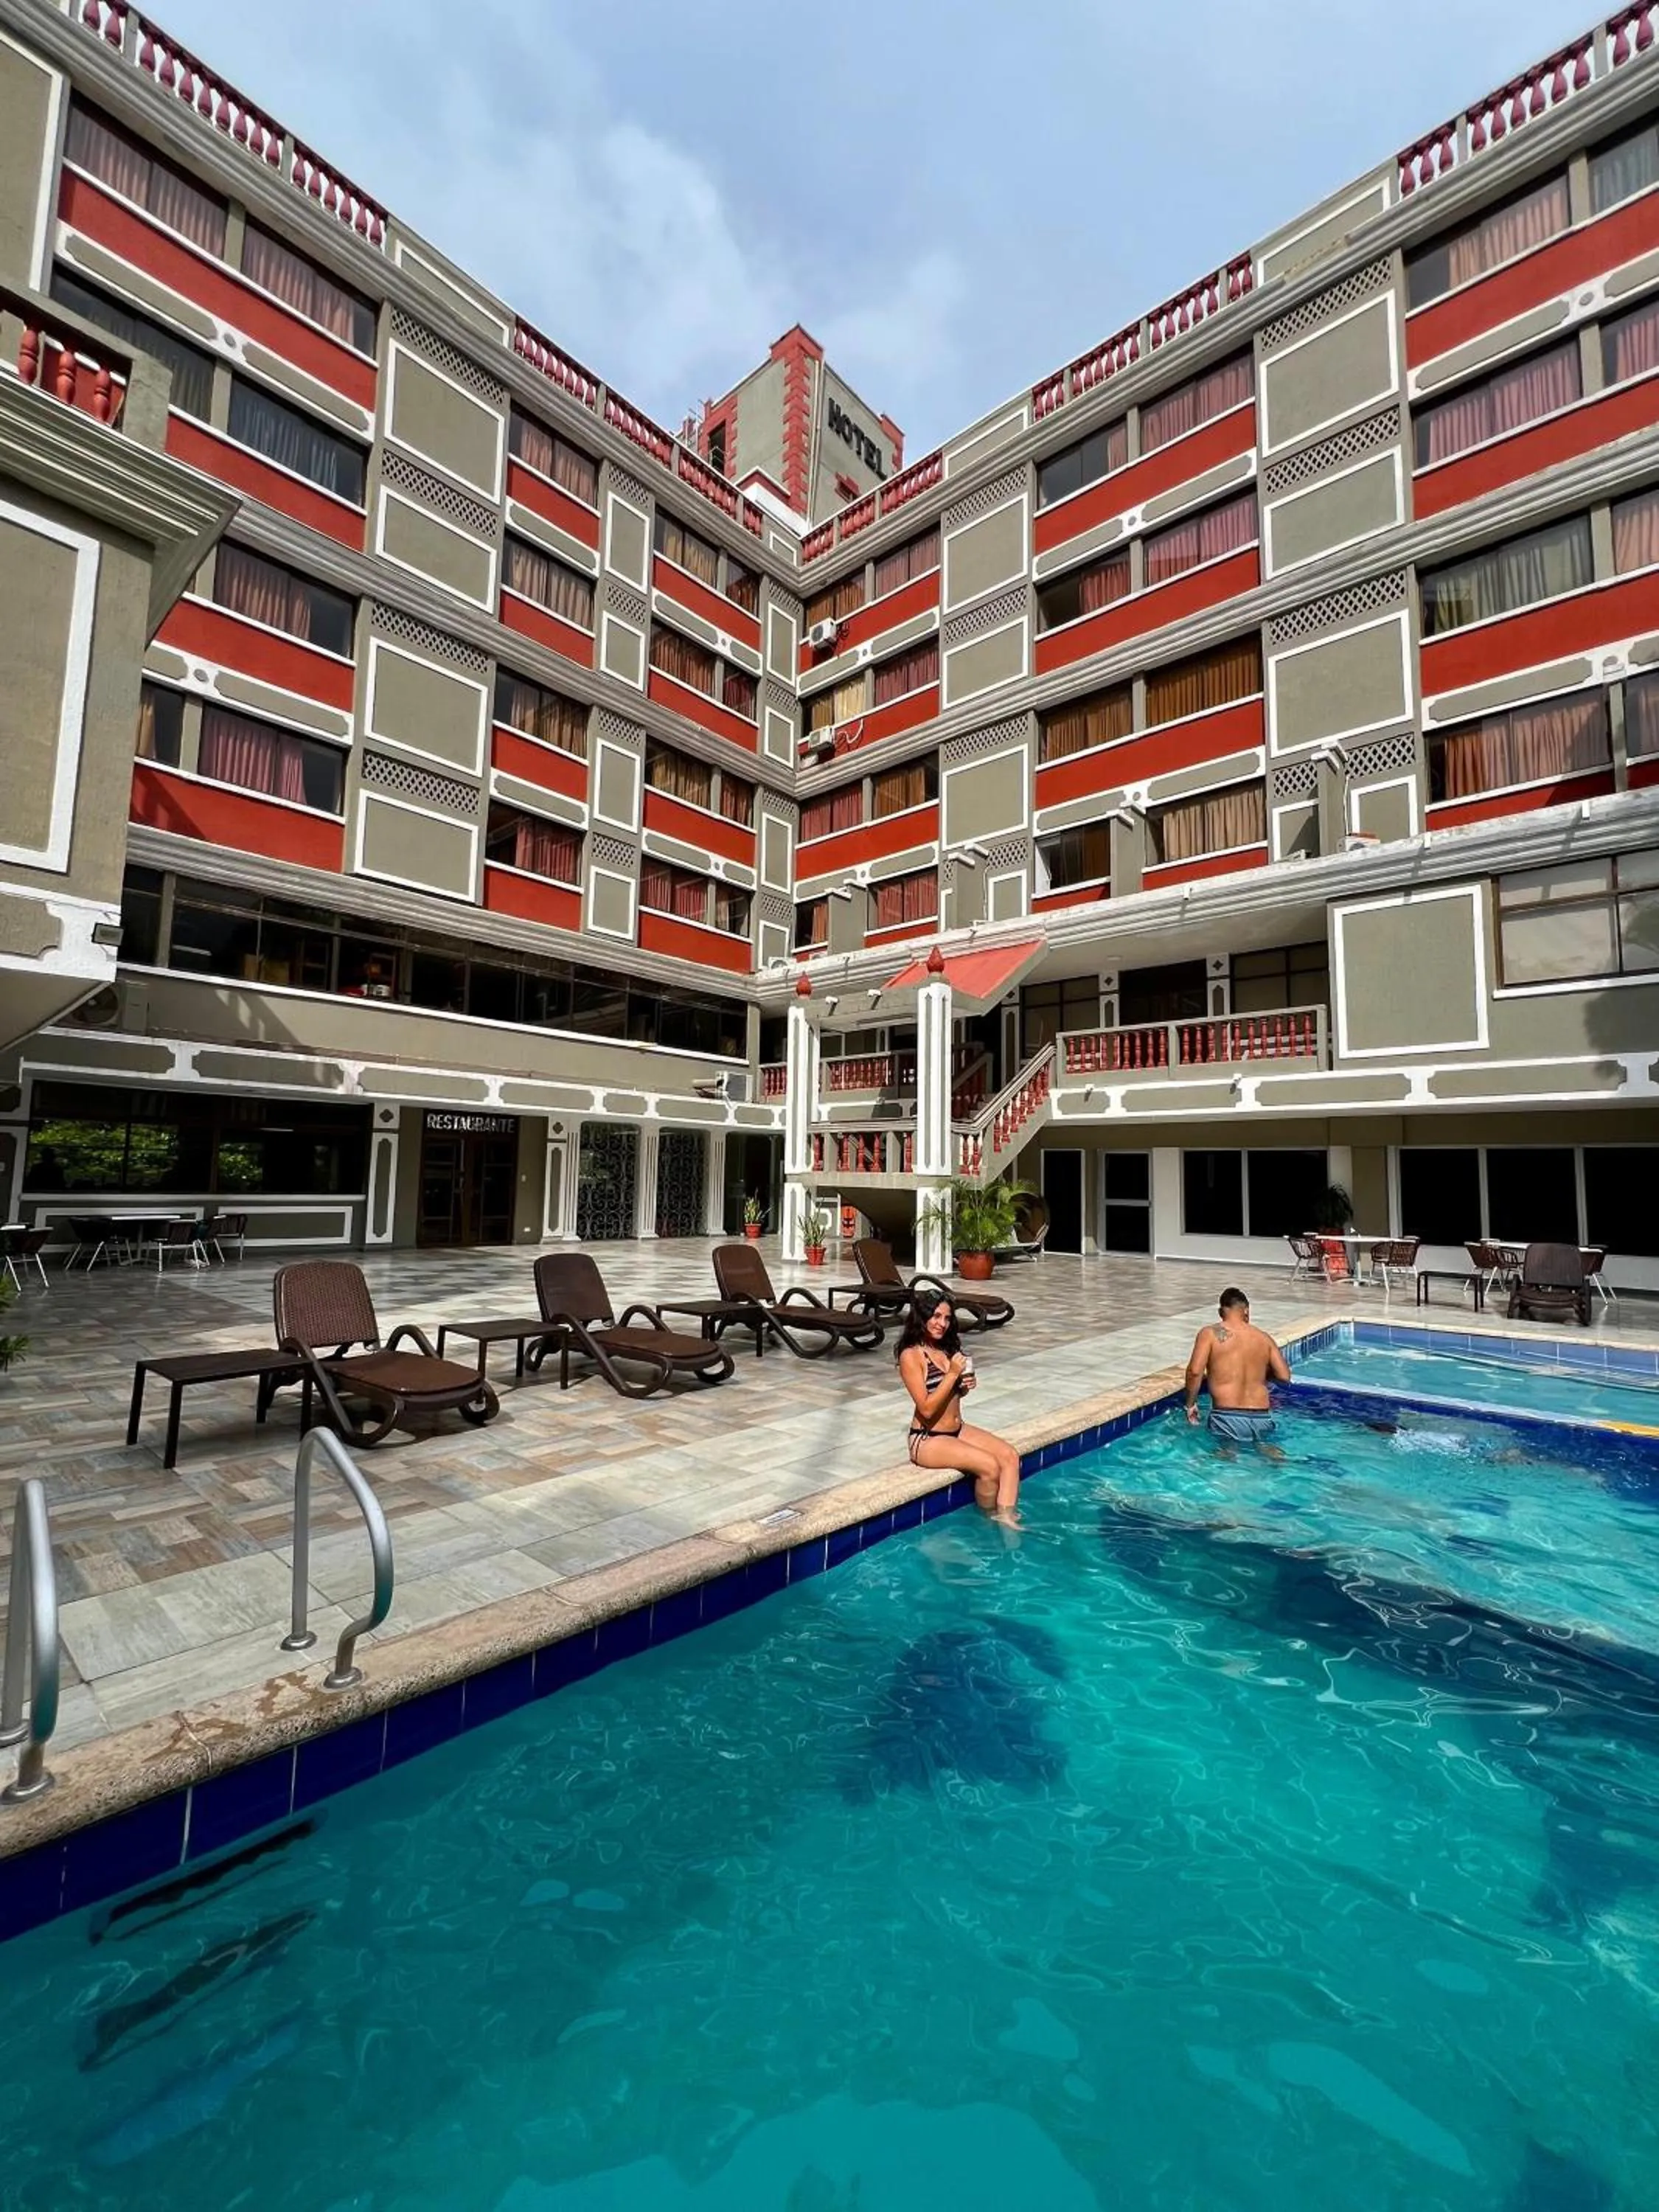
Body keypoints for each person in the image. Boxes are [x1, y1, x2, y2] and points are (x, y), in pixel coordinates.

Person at [897, 1290, 1022, 1525]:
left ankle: (1007, 1519)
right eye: (936, 1316)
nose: (941, 1324)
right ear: (922, 1317)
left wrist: (963, 1387)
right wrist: (953, 1373)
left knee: (1010, 1457)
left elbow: (950, 1396)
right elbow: (926, 1409)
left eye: (946, 1318)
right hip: (928, 1438)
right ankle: (986, 1523)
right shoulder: (912, 1355)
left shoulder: (946, 1349)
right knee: (989, 1467)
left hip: (957, 1429)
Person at [1184, 1287, 1290, 1450]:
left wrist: (1191, 1404)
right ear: (1246, 1310)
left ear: (1221, 1312)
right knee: (1269, 1453)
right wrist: (1258, 1374)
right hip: (1262, 1417)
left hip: (1227, 1416)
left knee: (1226, 1456)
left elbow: (1195, 1372)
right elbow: (1284, 1376)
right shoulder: (1264, 1338)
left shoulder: (1210, 1333)